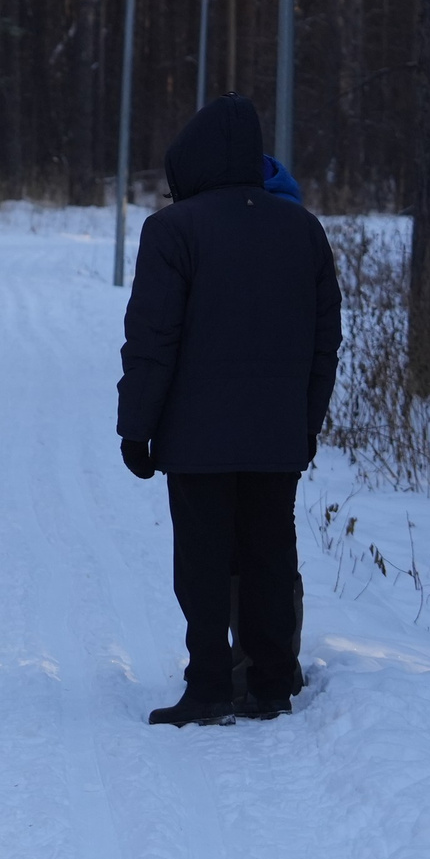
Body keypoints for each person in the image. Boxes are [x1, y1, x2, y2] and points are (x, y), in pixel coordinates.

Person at [117, 94, 341, 726]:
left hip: (197, 436)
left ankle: (210, 685)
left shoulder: (172, 230)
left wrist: (137, 427)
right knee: (269, 552)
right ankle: (271, 681)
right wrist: (306, 420)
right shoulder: (302, 230)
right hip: (277, 435)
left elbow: (153, 338)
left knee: (204, 562)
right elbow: (325, 338)